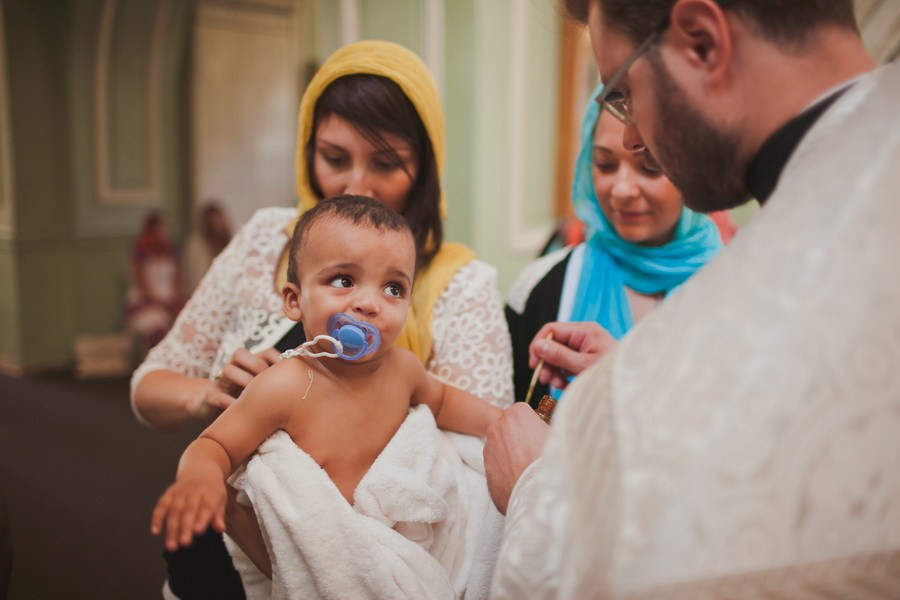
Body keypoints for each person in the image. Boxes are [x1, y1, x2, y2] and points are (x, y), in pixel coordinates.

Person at [486, 0, 900, 597]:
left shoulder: (662, 377)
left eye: (623, 93)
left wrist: (535, 488)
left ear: (702, 42)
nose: (630, 136)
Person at [131, 40, 513, 599]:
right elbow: (208, 443)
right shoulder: (287, 376)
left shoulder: (419, 340)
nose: (357, 183)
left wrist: (518, 425)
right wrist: (201, 465)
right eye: (335, 158)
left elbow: (456, 414)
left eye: (386, 163)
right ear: (293, 298)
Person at [152, 196, 503, 598]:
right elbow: (214, 444)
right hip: (324, 554)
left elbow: (444, 403)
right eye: (343, 280)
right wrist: (202, 477)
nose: (369, 304)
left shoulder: (403, 370)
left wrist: (505, 421)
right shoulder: (286, 385)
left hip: (391, 544)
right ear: (294, 300)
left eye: (393, 288)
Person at [506, 85, 722, 405]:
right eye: (605, 165)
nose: (621, 189)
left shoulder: (736, 287)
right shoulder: (542, 285)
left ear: (693, 169)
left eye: (650, 166)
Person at [124, 211, 184, 352]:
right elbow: (144, 288)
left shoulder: (172, 253)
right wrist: (164, 304)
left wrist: (176, 302)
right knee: (159, 328)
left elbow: (177, 282)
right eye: (158, 231)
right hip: (146, 304)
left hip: (168, 304)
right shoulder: (140, 255)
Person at [181, 200, 233, 294]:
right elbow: (196, 278)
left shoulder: (229, 243)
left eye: (218, 219)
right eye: (213, 220)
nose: (217, 224)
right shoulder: (196, 245)